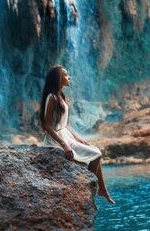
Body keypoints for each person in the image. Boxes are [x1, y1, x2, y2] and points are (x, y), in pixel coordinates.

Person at [39, 65, 115, 209]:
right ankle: (90, 191)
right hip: (55, 141)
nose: (69, 78)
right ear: (58, 79)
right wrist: (65, 145)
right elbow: (47, 126)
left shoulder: (61, 96)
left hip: (65, 136)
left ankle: (101, 189)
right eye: (66, 75)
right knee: (96, 154)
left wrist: (78, 139)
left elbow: (64, 125)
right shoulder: (52, 97)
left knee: (94, 151)